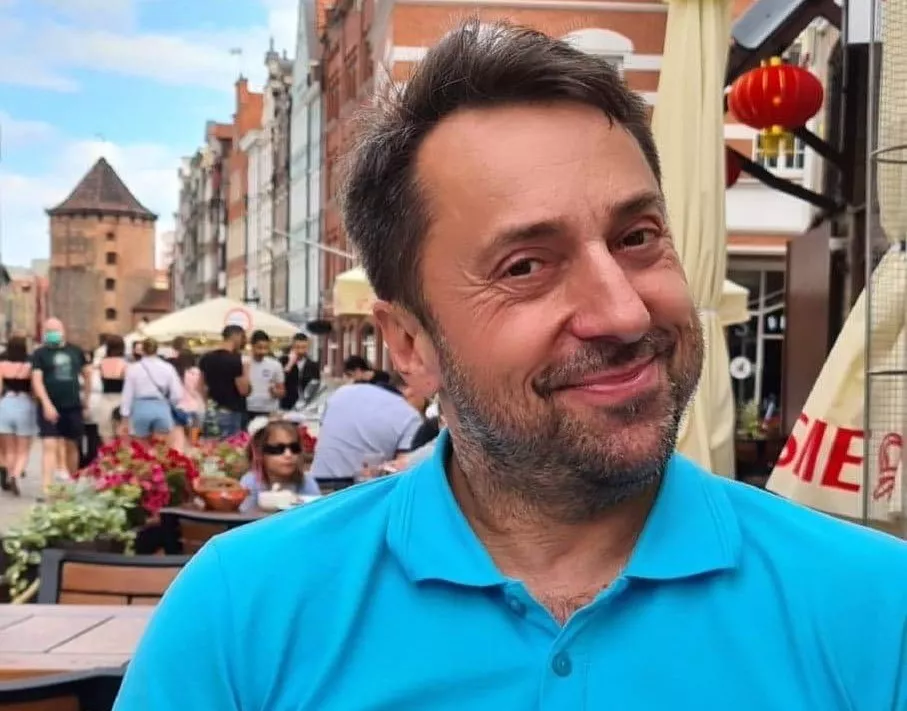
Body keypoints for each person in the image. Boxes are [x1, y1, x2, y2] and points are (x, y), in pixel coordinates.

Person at [114, 21, 907, 711]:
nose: (624, 313)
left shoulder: (874, 607)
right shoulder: (244, 613)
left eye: (636, 238)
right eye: (525, 266)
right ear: (408, 342)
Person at [307, 373, 423, 480]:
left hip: (316, 483)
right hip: (359, 488)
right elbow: (404, 471)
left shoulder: (341, 392)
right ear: (411, 390)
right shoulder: (410, 416)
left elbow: (324, 431)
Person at [31, 318, 90, 494]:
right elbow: (37, 380)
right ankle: (46, 487)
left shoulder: (75, 351)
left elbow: (87, 373)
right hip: (50, 404)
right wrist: (46, 403)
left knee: (72, 444)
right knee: (49, 444)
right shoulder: (40, 354)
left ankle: (72, 483)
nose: (52, 334)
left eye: (55, 330)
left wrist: (86, 399)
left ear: (63, 330)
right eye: (48, 331)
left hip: (72, 404)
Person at [238, 420, 321, 512]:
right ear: (260, 453)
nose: (288, 454)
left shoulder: (305, 481)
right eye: (278, 449)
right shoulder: (251, 482)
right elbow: (244, 515)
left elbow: (318, 512)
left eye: (294, 448)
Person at [119, 338, 184, 442]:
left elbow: (127, 394)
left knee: (141, 446)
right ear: (157, 350)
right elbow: (177, 393)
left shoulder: (133, 368)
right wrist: (171, 403)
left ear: (143, 350)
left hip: (140, 407)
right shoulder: (168, 367)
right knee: (160, 447)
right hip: (161, 407)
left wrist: (124, 416)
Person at [0, 336, 36, 495]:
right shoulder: (30, 366)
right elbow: (34, 389)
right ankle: (16, 474)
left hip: (6, 404)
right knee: (23, 449)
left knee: (9, 449)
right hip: (25, 404)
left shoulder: (2, 365)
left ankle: (9, 473)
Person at [198, 325, 249, 438]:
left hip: (211, 411)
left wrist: (207, 404)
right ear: (236, 336)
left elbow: (201, 386)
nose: (243, 342)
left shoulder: (206, 358)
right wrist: (246, 370)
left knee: (211, 445)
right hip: (231, 411)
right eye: (243, 337)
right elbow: (243, 390)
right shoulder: (236, 360)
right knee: (231, 446)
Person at [90, 334, 127, 442]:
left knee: (106, 436)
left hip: (105, 400)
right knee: (123, 438)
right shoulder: (125, 365)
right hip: (121, 400)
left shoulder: (102, 363)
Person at [246, 330, 285, 421]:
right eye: (259, 347)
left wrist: (275, 392)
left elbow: (282, 391)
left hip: (269, 410)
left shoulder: (275, 365)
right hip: (247, 409)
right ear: (252, 346)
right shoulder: (244, 363)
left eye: (265, 348)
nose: (262, 351)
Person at [280, 333, 320, 410]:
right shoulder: (283, 361)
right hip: (286, 405)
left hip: (306, 406)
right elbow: (279, 382)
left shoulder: (313, 365)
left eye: (303, 347)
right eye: (297, 347)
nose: (300, 351)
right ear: (292, 347)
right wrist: (290, 364)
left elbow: (316, 386)